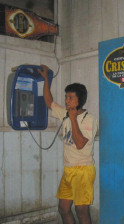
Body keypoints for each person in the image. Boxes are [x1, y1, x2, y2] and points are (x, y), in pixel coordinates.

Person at [39, 65, 98, 224]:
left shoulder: (89, 119)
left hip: (83, 170)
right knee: (63, 209)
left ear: (80, 100)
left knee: (81, 211)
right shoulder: (65, 114)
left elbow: (80, 144)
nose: (66, 100)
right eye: (66, 97)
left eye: (70, 97)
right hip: (69, 169)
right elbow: (49, 102)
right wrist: (46, 79)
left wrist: (72, 119)